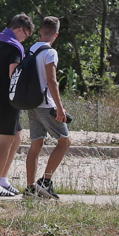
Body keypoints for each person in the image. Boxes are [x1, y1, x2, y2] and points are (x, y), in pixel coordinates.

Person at [0, 13, 34, 197]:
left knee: (18, 136)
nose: (24, 39)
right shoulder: (14, 48)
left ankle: (3, 178)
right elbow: (14, 76)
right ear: (20, 29)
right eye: (26, 35)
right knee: (6, 141)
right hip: (7, 100)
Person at [23, 16, 71, 200]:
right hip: (45, 104)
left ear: (41, 31)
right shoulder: (50, 52)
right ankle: (45, 182)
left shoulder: (31, 49)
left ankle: (30, 188)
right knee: (65, 141)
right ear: (56, 34)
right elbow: (52, 80)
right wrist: (60, 108)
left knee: (36, 144)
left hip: (30, 103)